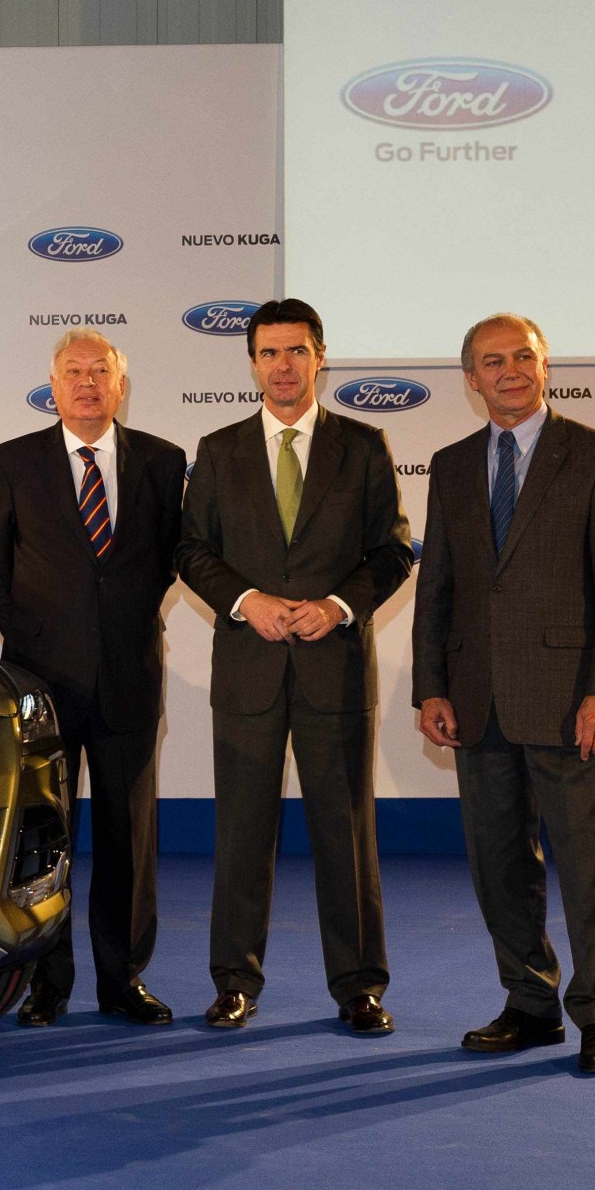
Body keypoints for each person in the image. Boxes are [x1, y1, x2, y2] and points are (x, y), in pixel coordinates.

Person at [412, 314, 595, 1075]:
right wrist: (431, 687)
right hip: (475, 701)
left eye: (523, 356)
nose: (510, 371)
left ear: (545, 367)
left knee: (586, 866)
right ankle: (530, 1002)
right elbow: (437, 586)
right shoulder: (450, 465)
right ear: (471, 379)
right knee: (499, 866)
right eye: (493, 361)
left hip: (569, 700)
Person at [176, 298, 412, 1033]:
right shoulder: (218, 450)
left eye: (297, 351)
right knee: (242, 835)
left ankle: (360, 987)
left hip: (334, 670)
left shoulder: (364, 445)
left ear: (320, 356)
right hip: (247, 671)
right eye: (269, 353)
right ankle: (234, 981)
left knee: (346, 836)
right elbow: (191, 551)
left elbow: (393, 551)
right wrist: (247, 600)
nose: (283, 366)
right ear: (252, 363)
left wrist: (338, 605)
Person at [0, 329, 185, 1026]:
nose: (87, 382)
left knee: (130, 837)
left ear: (120, 386)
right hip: (44, 683)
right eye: (74, 371)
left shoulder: (162, 461)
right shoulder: (13, 461)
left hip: (130, 677)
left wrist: (120, 621)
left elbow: (167, 559)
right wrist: (35, 641)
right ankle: (48, 982)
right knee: (46, 838)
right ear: (54, 385)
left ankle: (123, 980)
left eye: (100, 371)